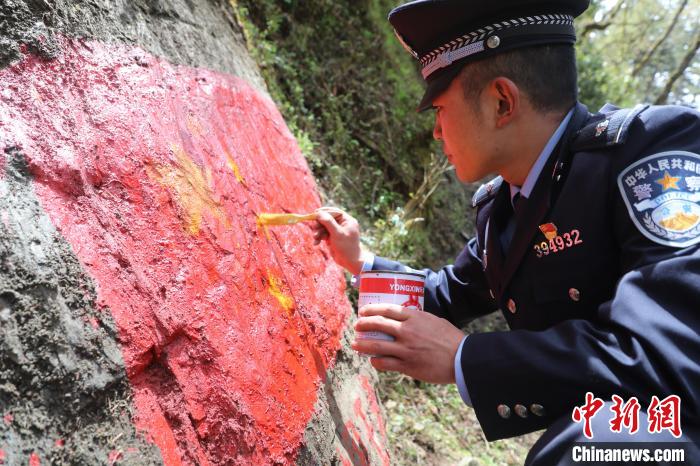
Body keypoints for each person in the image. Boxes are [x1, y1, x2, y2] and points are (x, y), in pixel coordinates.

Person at [312, 0, 700, 463]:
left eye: (439, 107)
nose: (436, 131)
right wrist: (360, 261)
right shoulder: (503, 208)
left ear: (502, 101)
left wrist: (465, 359)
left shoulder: (647, 156)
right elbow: (448, 294)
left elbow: (666, 361)